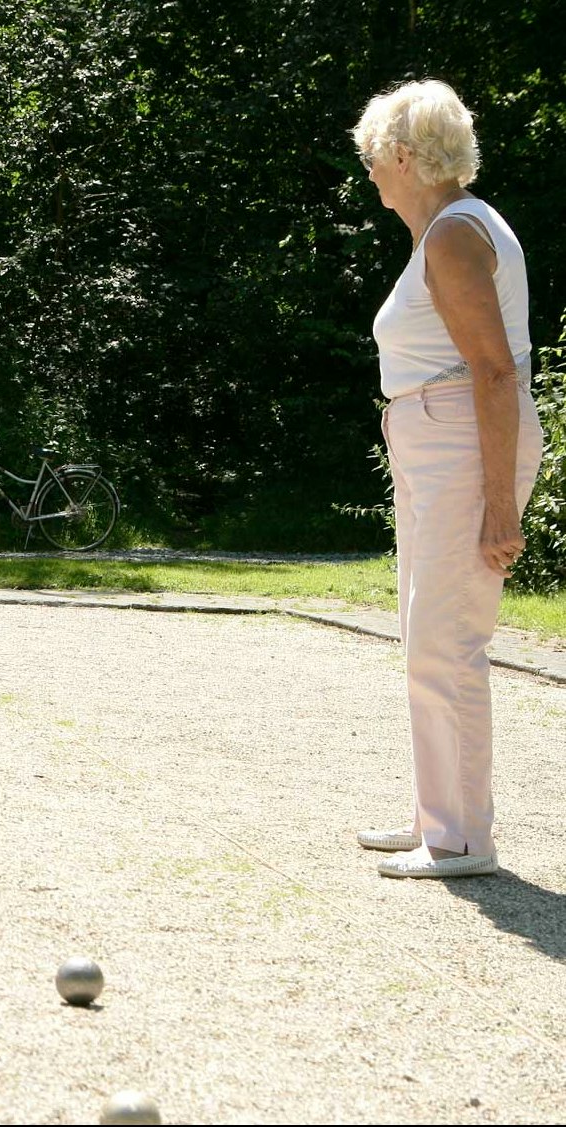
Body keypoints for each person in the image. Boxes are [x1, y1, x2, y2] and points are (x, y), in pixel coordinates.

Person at [352, 80, 545, 878]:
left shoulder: (453, 236)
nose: (369, 174)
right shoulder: (446, 229)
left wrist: (499, 507)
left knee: (447, 641)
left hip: (464, 444)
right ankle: (441, 818)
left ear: (402, 156)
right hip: (440, 442)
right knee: (427, 637)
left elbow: (494, 373)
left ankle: (462, 838)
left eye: (371, 159)